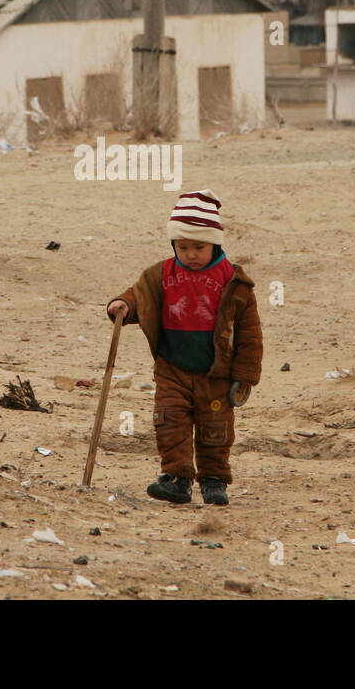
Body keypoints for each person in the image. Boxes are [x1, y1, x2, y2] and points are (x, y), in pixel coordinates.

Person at [105, 189, 263, 505]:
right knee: (169, 420)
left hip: (216, 371)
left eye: (199, 247)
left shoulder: (233, 281)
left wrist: (245, 375)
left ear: (215, 244)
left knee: (215, 427)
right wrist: (123, 304)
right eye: (183, 247)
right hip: (172, 366)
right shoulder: (160, 274)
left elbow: (249, 332)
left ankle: (214, 480)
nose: (190, 254)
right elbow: (140, 296)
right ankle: (177, 479)